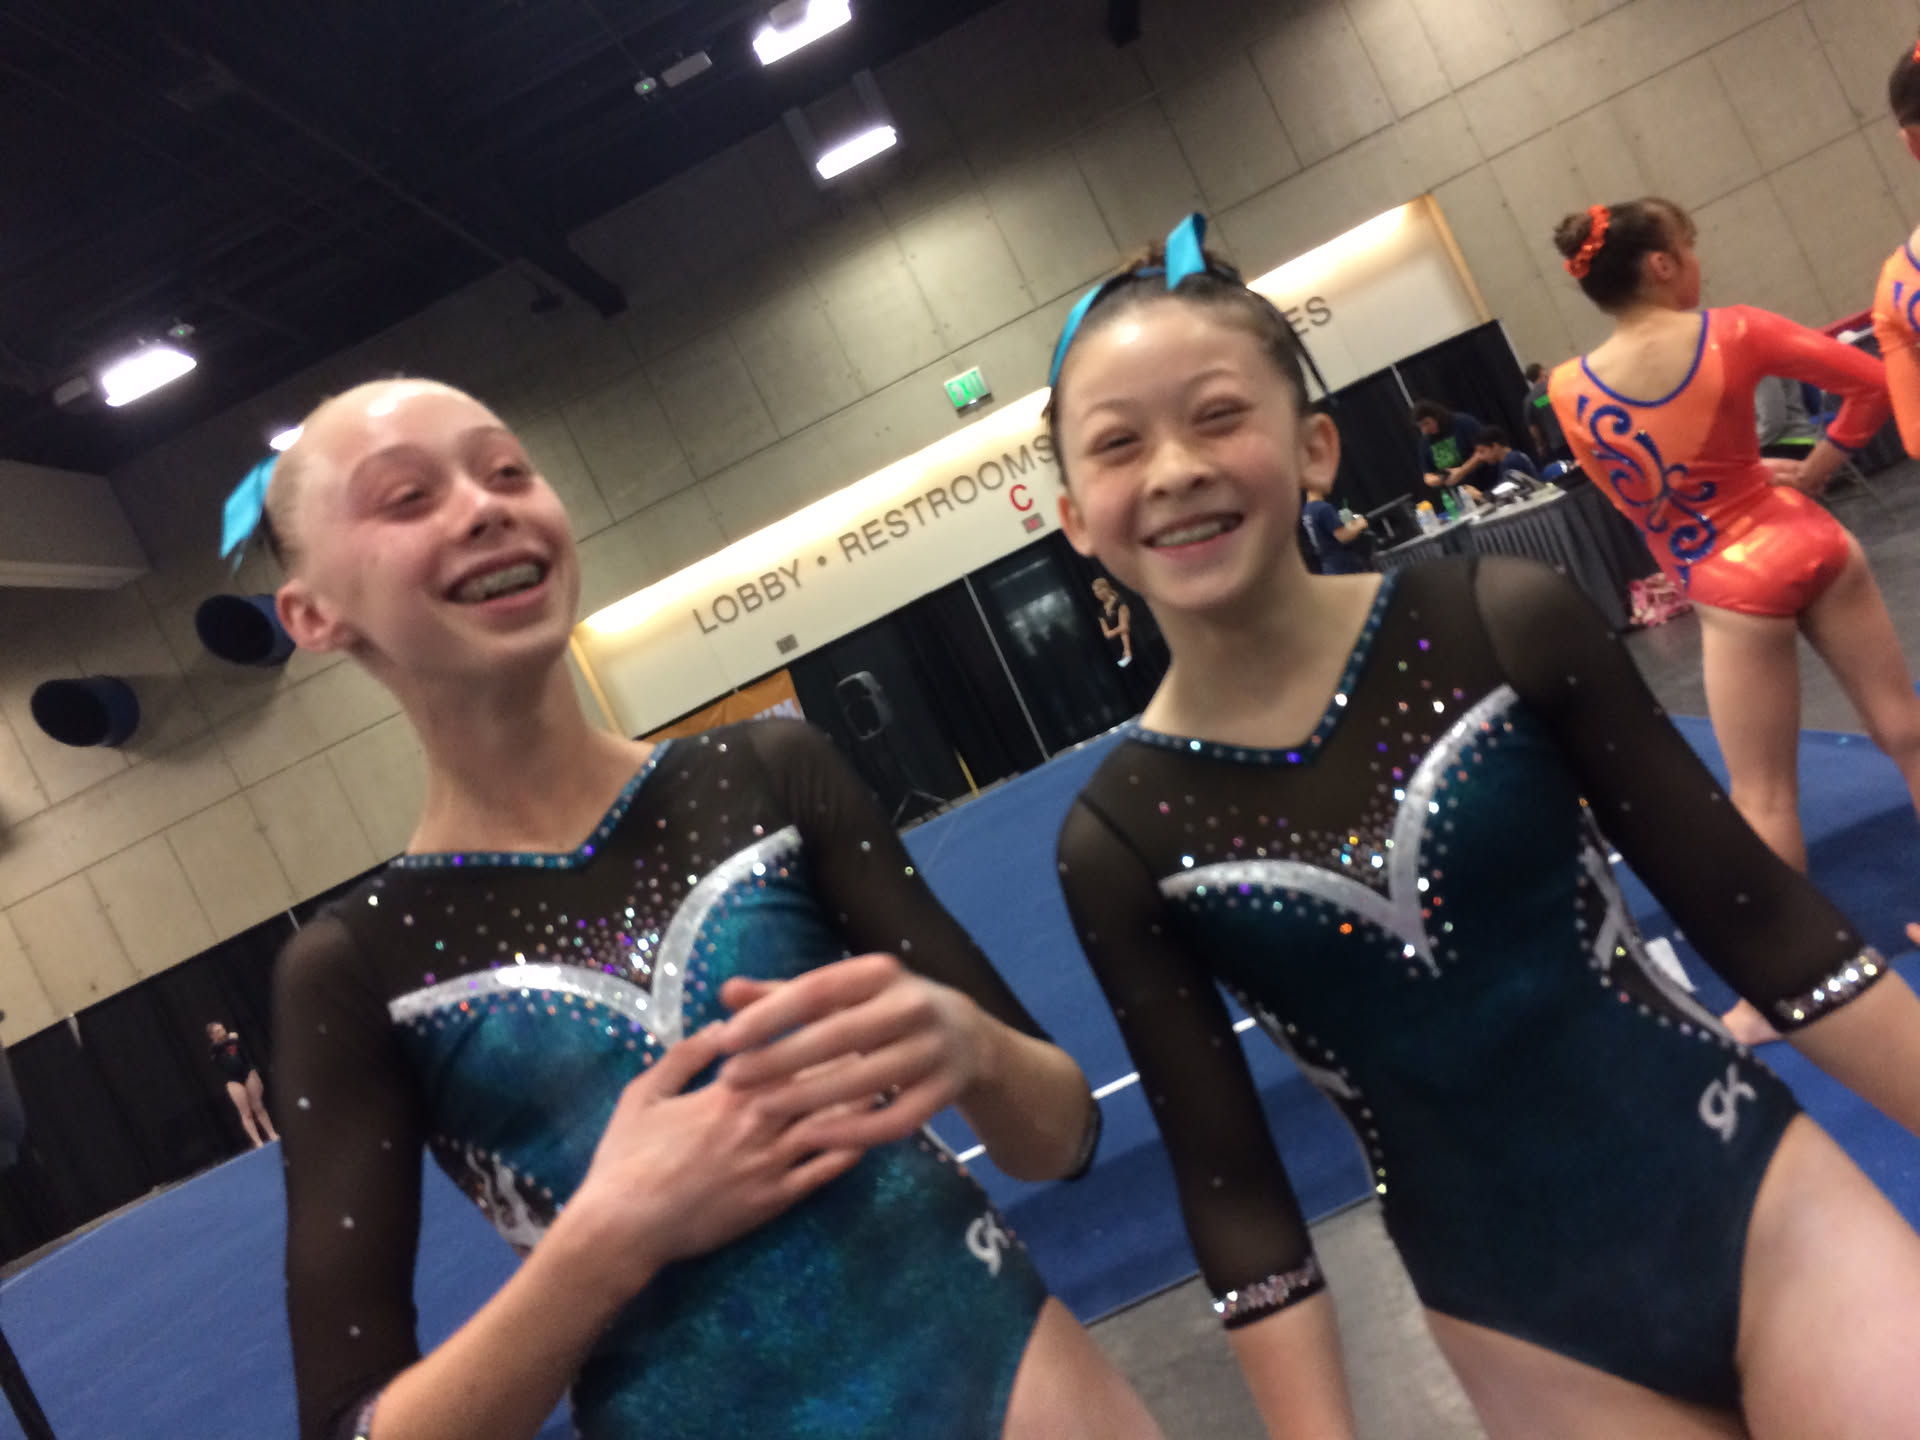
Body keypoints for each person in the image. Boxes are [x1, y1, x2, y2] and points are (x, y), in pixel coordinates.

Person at [1043, 213, 1920, 1440]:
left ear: (1314, 448)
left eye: (1219, 415)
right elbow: (1235, 1189)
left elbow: (1768, 925)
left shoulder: (1497, 622)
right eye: (1120, 443)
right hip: (1524, 1325)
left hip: (1751, 1195)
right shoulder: (1120, 839)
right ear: (1075, 517)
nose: (1176, 467)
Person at [255, 379, 1161, 1440]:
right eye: (408, 498)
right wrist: (604, 1241)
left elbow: (1062, 1138)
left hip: (1021, 1389)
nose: (483, 507)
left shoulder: (767, 775)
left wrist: (971, 1047)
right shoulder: (358, 966)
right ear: (313, 615)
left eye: (507, 471)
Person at [1547, 197, 1920, 1048]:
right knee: (1907, 730)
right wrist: (1814, 471)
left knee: (1764, 793)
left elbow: (1638, 509)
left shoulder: (1566, 391)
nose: (1699, 262)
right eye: (1691, 247)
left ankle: (1780, 993)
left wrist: (1699, 570)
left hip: (1728, 574)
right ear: (1662, 265)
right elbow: (1873, 384)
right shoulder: (1736, 331)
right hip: (1810, 539)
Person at [207, 1020, 277, 1149]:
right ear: (212, 1036)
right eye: (217, 1031)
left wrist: (255, 1074)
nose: (222, 1032)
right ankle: (258, 1142)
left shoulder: (233, 1039)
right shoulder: (214, 1049)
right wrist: (232, 1039)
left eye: (222, 1029)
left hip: (247, 1072)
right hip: (233, 1080)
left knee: (258, 1106)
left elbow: (242, 1053)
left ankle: (272, 1133)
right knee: (246, 1113)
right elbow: (220, 1047)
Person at [1298, 476, 1368, 574]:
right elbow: (1343, 537)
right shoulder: (1323, 508)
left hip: (1328, 566)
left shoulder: (1307, 510)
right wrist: (1360, 524)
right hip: (1343, 566)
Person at [1410, 399, 1482, 494]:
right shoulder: (1425, 443)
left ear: (1437, 417)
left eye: (1427, 423)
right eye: (1421, 426)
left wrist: (1462, 471)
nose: (1425, 430)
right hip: (1461, 493)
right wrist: (1436, 480)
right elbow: (1427, 475)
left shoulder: (1462, 422)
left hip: (1483, 479)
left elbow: (1484, 451)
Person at [1453, 426, 1540, 493]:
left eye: (1482, 451)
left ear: (1495, 446)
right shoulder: (1512, 457)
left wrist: (1479, 495)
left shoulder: (1511, 461)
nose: (1481, 458)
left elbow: (1506, 492)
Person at [1523, 362, 1569, 462]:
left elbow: (1533, 429)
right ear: (1541, 372)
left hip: (1556, 444)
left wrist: (1541, 444)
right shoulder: (1556, 386)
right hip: (1572, 435)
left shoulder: (1529, 400)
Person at [1091, 576, 1134, 666]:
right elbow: (1107, 634)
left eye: (1098, 590)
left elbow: (1124, 628)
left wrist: (1127, 649)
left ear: (1105, 588)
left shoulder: (1120, 602)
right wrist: (1117, 629)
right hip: (1115, 649)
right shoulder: (1101, 612)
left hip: (1129, 645)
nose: (1096, 594)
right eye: (1094, 591)